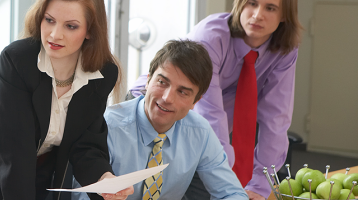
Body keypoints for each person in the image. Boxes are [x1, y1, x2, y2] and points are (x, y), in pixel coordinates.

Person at [0, 0, 133, 199]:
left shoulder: (103, 73)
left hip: (41, 173)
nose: (55, 34)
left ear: (90, 31)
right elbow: (16, 155)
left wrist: (103, 179)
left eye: (70, 26)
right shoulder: (16, 60)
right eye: (49, 20)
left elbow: (87, 144)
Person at [129, 0, 302, 199]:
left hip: (199, 125)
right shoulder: (211, 36)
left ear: (285, 15)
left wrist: (260, 185)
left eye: (270, 8)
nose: (257, 14)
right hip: (156, 107)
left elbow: (276, 117)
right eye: (251, 3)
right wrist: (226, 180)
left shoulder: (284, 50)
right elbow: (208, 111)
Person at [74, 39, 248, 200]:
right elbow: (82, 194)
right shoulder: (108, 124)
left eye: (182, 92)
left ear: (196, 101)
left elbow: (231, 193)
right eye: (162, 82)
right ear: (148, 80)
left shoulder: (200, 132)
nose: (167, 98)